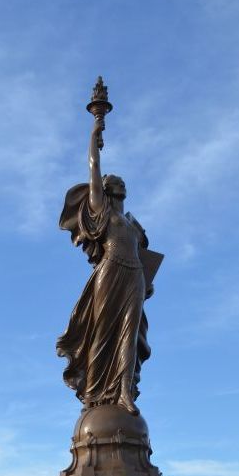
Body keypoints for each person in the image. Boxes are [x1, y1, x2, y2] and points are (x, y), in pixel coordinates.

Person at [57, 118, 154, 416]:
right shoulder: (104, 212)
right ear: (108, 191)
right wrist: (94, 134)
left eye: (122, 181)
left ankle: (124, 392)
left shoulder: (133, 225)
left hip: (134, 275)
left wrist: (148, 282)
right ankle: (94, 393)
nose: (120, 183)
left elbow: (145, 256)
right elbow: (94, 170)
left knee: (128, 334)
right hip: (110, 269)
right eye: (115, 182)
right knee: (102, 333)